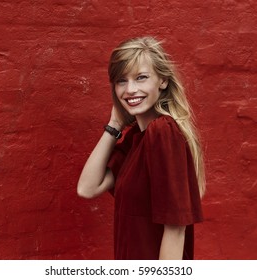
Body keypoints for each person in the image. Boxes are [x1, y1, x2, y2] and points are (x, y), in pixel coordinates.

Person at [77, 37, 205, 260]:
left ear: (162, 80)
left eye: (141, 78)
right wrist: (115, 125)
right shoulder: (136, 138)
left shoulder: (163, 132)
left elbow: (175, 228)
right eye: (121, 80)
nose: (130, 89)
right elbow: (87, 188)